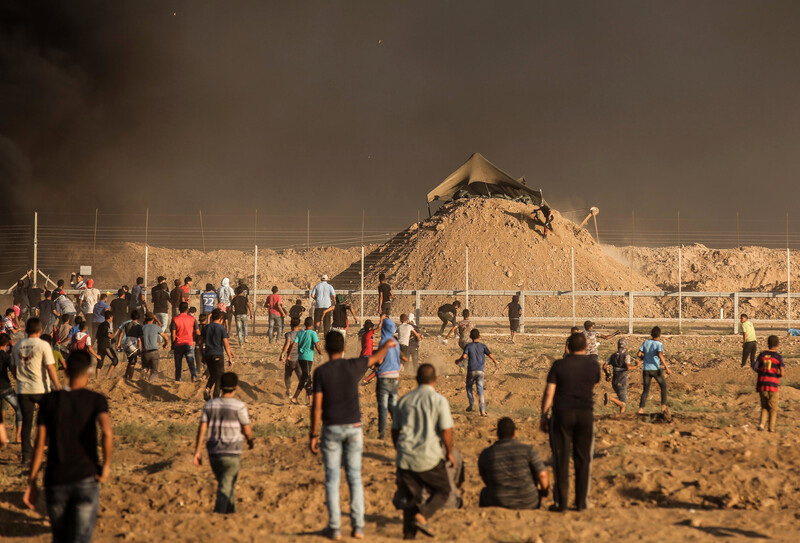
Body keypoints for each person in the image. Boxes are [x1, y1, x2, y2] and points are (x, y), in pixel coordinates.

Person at [309, 331, 398, 540]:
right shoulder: (353, 366)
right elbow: (376, 358)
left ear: (326, 347)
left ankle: (335, 528)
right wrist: (388, 344)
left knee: (332, 478)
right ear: (343, 347)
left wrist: (313, 434)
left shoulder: (321, 372)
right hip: (354, 427)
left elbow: (316, 408)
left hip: (331, 428)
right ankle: (358, 527)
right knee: (354, 478)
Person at [23, 350, 112, 542]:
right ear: (89, 372)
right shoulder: (96, 400)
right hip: (86, 477)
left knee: (60, 538)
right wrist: (105, 466)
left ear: (65, 371)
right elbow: (107, 432)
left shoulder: (49, 401)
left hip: (56, 479)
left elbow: (39, 445)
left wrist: (31, 481)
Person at [392, 364, 454, 539]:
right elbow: (446, 430)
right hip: (430, 457)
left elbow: (395, 431)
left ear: (416, 379)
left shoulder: (404, 400)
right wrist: (449, 452)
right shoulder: (439, 400)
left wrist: (400, 450)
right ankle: (423, 515)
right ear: (435, 380)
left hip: (406, 458)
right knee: (443, 490)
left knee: (411, 499)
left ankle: (408, 536)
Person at [540, 332, 599, 512]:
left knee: (561, 458)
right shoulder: (593, 365)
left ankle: (561, 503)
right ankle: (581, 503)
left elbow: (549, 392)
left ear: (567, 348)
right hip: (585, 415)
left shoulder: (559, 365)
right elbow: (593, 383)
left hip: (562, 415)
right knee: (583, 459)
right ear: (586, 348)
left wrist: (543, 415)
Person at [193, 371, 254, 514]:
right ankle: (219, 512)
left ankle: (231, 512)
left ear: (220, 387)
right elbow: (247, 429)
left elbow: (202, 429)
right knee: (226, 484)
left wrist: (197, 451)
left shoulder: (210, 405)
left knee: (226, 482)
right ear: (236, 388)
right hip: (232, 452)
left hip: (213, 452)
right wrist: (250, 441)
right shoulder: (239, 406)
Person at [11, 318, 61, 462]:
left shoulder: (18, 345)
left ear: (26, 330)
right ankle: (47, 446)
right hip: (41, 388)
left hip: (23, 390)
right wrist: (57, 385)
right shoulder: (43, 345)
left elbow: (13, 368)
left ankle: (26, 455)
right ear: (40, 331)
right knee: (49, 418)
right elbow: (50, 367)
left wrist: (19, 378)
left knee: (27, 422)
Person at [478, 417, 549, 509]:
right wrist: (544, 492)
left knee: (484, 493)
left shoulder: (486, 454)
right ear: (515, 433)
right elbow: (542, 475)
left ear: (497, 434)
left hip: (498, 501)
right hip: (529, 501)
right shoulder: (528, 450)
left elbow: (486, 479)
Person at [454, 328, 499, 416]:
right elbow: (490, 354)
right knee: (480, 390)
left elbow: (464, 356)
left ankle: (471, 404)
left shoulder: (468, 346)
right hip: (480, 371)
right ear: (479, 336)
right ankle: (482, 410)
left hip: (471, 371)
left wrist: (458, 361)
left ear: (470, 337)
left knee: (469, 387)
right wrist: (495, 361)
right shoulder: (483, 346)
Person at [376, 317, 402, 440]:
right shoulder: (396, 343)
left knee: (383, 407)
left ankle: (382, 433)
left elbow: (380, 360)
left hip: (384, 377)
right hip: (395, 376)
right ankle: (399, 429)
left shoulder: (383, 342)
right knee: (393, 406)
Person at [752, 335, 784, 432]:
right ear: (778, 345)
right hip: (773, 385)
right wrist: (775, 376)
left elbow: (754, 367)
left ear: (767, 344)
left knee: (764, 405)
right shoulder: (778, 357)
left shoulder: (762, 355)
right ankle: (771, 427)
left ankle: (761, 424)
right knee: (773, 407)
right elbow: (782, 373)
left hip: (762, 383)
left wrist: (762, 372)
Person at [637, 326, 672, 415]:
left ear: (651, 334)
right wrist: (667, 367)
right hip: (655, 369)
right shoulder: (659, 344)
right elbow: (660, 355)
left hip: (646, 369)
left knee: (646, 390)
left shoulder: (645, 342)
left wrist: (643, 359)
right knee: (663, 386)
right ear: (659, 335)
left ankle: (641, 408)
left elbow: (639, 354)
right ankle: (663, 407)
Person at [203, 309, 236, 399]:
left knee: (213, 374)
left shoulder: (206, 327)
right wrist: (230, 357)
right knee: (220, 375)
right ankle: (216, 395)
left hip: (208, 354)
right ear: (221, 318)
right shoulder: (221, 328)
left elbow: (200, 341)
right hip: (217, 354)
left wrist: (203, 355)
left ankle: (207, 389)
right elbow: (226, 344)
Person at [602, 337, 638, 413]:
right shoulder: (626, 356)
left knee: (620, 401)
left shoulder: (613, 355)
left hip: (614, 381)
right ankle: (610, 398)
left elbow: (604, 366)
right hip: (622, 380)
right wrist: (636, 366)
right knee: (623, 403)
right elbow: (628, 367)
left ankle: (621, 417)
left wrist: (608, 375)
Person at [292, 317, 323, 405]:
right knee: (305, 378)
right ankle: (295, 397)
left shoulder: (300, 333)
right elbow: (317, 346)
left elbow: (294, 343)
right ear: (312, 324)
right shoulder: (313, 333)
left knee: (307, 378)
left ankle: (311, 400)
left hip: (300, 358)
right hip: (308, 358)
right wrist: (320, 352)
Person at [0, 333, 22, 443]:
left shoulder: (4, 355)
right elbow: (13, 371)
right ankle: (18, 437)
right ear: (7, 343)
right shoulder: (5, 356)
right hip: (5, 388)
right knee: (19, 408)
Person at [171, 302, 198, 382]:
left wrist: (173, 344)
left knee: (178, 365)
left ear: (179, 309)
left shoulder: (175, 319)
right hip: (188, 343)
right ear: (187, 309)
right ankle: (193, 376)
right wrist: (192, 338)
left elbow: (173, 334)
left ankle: (178, 379)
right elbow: (197, 332)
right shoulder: (192, 319)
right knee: (191, 363)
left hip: (178, 344)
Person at [141, 313, 169, 382]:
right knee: (154, 371)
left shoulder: (142, 328)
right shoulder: (156, 327)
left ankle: (145, 372)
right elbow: (166, 338)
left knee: (145, 367)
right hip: (154, 352)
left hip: (145, 352)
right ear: (153, 319)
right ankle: (150, 383)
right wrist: (165, 345)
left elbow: (139, 339)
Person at [114, 311, 143, 380]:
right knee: (133, 362)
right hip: (133, 344)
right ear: (138, 318)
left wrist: (118, 343)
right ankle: (130, 378)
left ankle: (126, 375)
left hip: (126, 343)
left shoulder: (127, 324)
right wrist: (139, 348)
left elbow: (121, 334)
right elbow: (139, 338)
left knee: (130, 360)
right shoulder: (139, 326)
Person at [279, 318, 302, 397]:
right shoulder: (302, 333)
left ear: (290, 325)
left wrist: (283, 353)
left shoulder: (288, 334)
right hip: (300, 359)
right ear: (299, 325)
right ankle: (305, 392)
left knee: (288, 375)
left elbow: (287, 344)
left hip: (291, 359)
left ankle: (289, 390)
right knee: (300, 376)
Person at [95, 311, 118, 378]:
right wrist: (113, 338)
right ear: (110, 317)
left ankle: (97, 378)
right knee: (115, 360)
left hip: (99, 345)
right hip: (106, 346)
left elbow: (97, 336)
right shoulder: (108, 324)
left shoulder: (100, 325)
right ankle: (107, 376)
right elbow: (108, 334)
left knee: (100, 362)